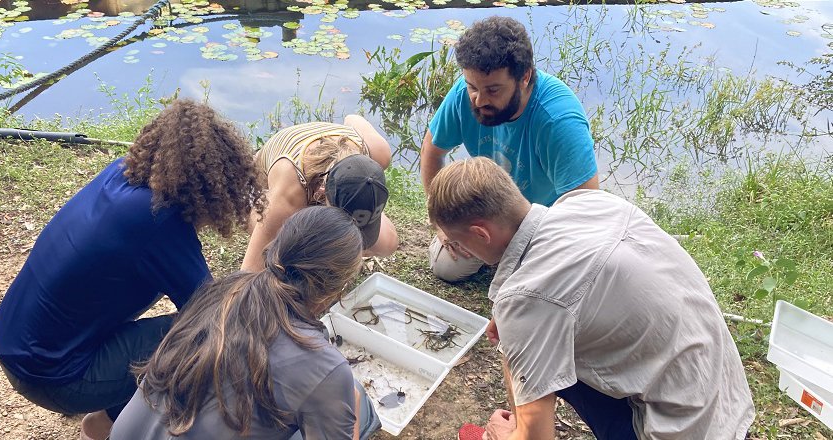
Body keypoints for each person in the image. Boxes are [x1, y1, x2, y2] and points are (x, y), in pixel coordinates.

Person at [0, 100, 267, 440]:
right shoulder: (159, 221)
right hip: (51, 376)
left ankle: (104, 397)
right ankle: (104, 423)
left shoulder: (121, 174)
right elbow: (214, 314)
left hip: (14, 340)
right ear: (211, 184)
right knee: (202, 339)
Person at [427, 158, 754, 440]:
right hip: (725, 396)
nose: (460, 251)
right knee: (526, 344)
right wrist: (517, 327)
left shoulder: (525, 298)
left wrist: (511, 434)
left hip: (681, 427)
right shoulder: (585, 203)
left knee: (524, 360)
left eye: (458, 243)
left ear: (481, 234)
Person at [111, 206, 381, 439]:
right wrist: (344, 400)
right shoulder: (324, 366)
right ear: (336, 290)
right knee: (359, 407)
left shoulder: (225, 290)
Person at [420, 16, 599, 282]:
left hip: (545, 226)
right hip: (490, 210)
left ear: (524, 77)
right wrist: (444, 223)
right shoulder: (466, 93)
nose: (479, 100)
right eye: (472, 87)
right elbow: (432, 151)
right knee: (447, 267)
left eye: (493, 90)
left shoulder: (558, 120)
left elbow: (587, 211)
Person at [241, 116, 398, 272]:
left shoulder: (378, 152)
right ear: (322, 192)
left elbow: (352, 118)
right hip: (259, 181)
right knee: (282, 248)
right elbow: (249, 271)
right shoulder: (291, 192)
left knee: (388, 243)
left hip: (324, 174)